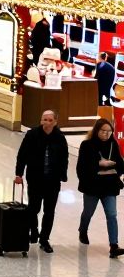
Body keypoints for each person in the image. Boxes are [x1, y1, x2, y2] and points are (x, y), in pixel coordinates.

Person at [14, 109, 68, 253]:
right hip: (35, 178)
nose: (47, 122)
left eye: (50, 120)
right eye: (44, 119)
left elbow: (64, 157)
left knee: (49, 211)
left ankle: (44, 239)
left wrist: (63, 175)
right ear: (40, 120)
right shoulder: (32, 135)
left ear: (55, 122)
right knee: (34, 208)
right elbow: (22, 155)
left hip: (53, 180)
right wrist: (19, 174)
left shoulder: (59, 137)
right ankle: (34, 230)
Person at [77, 118, 123, 258]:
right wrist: (100, 165)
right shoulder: (87, 145)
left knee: (112, 214)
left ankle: (113, 245)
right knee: (88, 213)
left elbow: (120, 164)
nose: (106, 134)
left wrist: (113, 167)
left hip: (109, 186)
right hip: (92, 186)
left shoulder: (113, 145)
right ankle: (83, 229)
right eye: (103, 131)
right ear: (97, 130)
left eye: (109, 132)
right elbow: (82, 168)